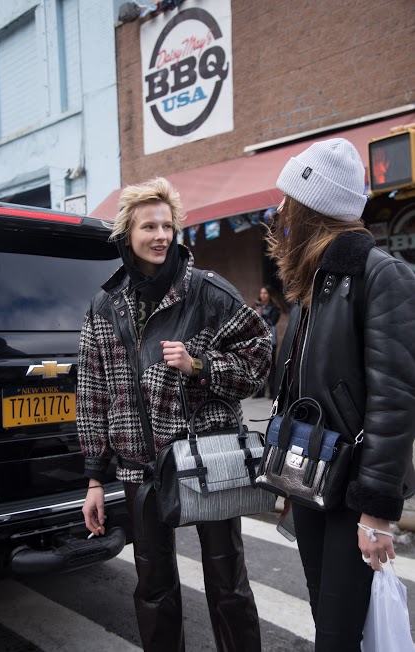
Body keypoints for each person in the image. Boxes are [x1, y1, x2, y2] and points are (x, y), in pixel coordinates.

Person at [77, 177, 272, 652]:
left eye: (168, 225)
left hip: (208, 457)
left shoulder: (207, 291)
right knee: (153, 588)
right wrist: (95, 478)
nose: (161, 235)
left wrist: (200, 366)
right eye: (150, 226)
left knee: (228, 583)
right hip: (139, 465)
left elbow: (261, 358)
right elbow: (92, 394)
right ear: (128, 233)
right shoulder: (105, 305)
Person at [265, 138, 415, 651]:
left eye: (288, 201)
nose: (280, 211)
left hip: (352, 492)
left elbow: (394, 402)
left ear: (312, 209)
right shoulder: (315, 283)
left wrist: (376, 512)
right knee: (327, 619)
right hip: (314, 480)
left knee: (337, 634)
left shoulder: (379, 275)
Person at [253, 285, 282, 398]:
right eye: (261, 293)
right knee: (259, 365)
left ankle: (272, 391)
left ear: (269, 295)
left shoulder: (274, 308)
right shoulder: (256, 306)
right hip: (258, 339)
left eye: (265, 293)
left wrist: (261, 314)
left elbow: (273, 321)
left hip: (270, 340)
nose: (262, 295)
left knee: (271, 366)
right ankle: (259, 391)